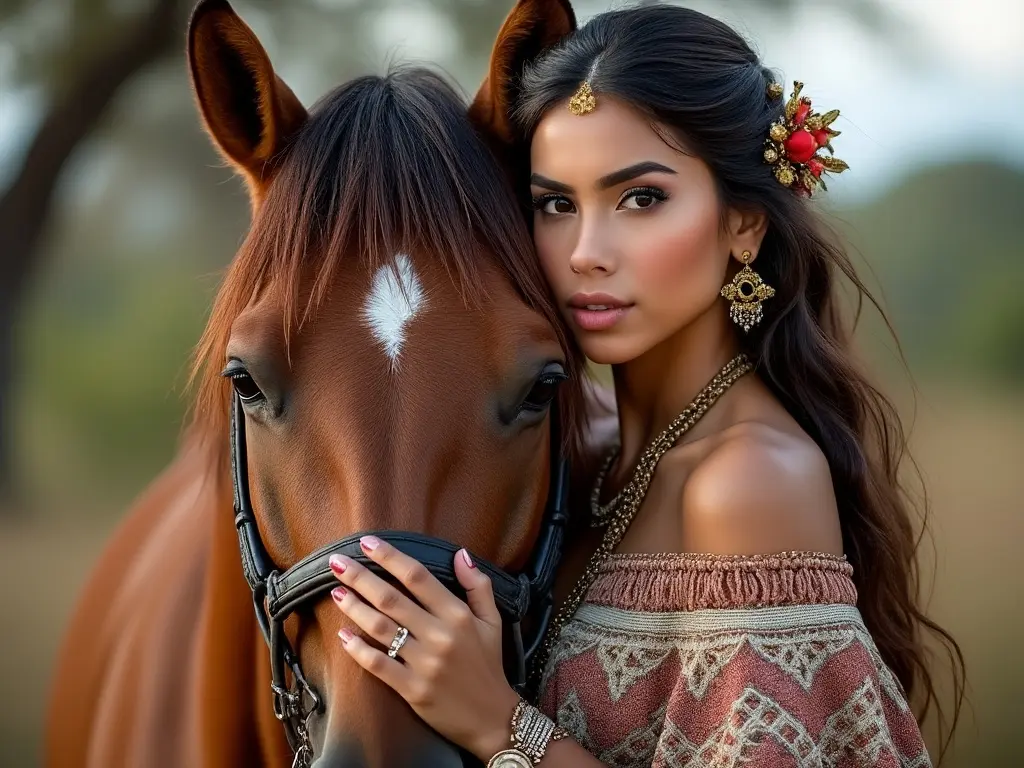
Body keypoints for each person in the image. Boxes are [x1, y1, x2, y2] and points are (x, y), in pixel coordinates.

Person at [322, 3, 964, 766]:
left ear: (745, 225)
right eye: (555, 205)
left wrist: (500, 722)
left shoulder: (750, 483)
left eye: (641, 199)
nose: (587, 252)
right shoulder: (583, 458)